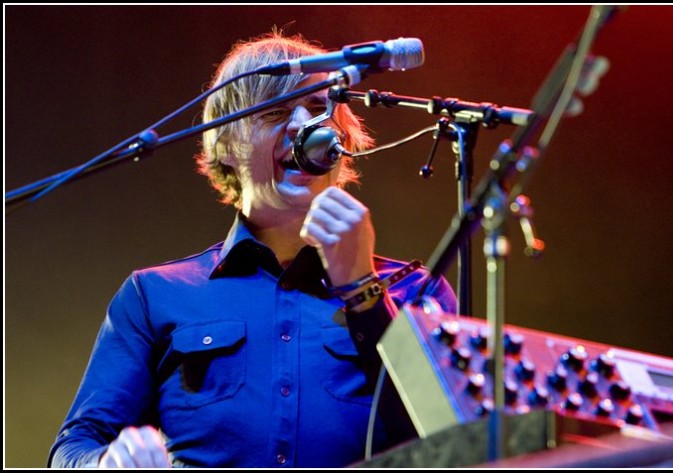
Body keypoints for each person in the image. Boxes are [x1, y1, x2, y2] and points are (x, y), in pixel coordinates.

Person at [48, 30, 456, 468]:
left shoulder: (416, 292)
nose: (304, 126)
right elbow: (74, 448)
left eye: (319, 109)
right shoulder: (154, 295)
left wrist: (362, 291)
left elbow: (456, 439)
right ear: (225, 146)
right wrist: (107, 463)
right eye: (276, 112)